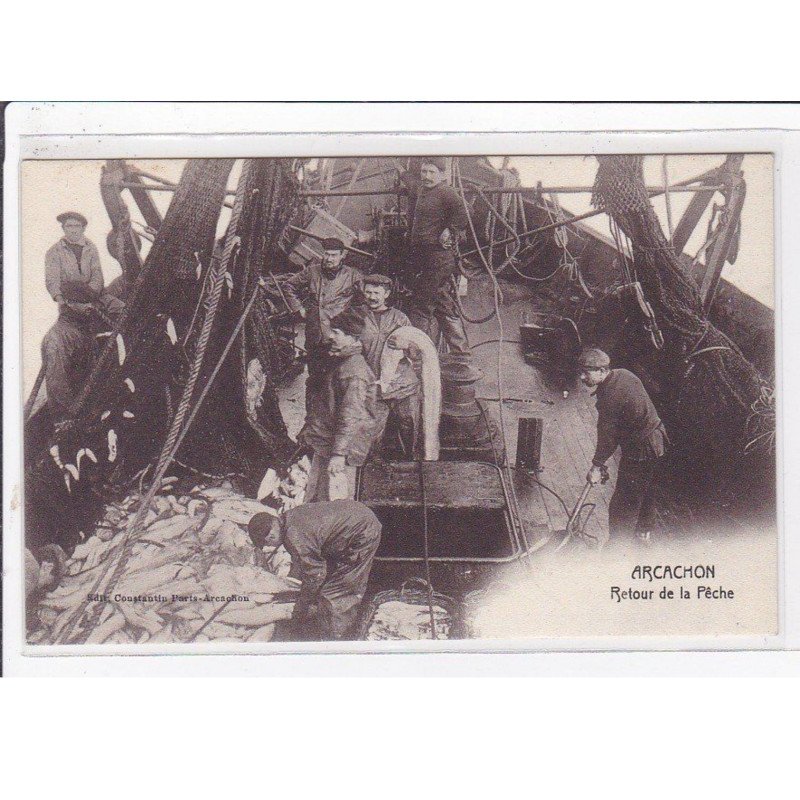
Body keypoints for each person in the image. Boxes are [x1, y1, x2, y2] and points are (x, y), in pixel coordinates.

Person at [248, 501, 382, 641]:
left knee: (336, 593)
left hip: (362, 532)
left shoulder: (295, 536)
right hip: (356, 517)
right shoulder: (289, 518)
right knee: (329, 583)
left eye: (267, 544)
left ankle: (337, 639)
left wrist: (302, 604)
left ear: (270, 536)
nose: (269, 546)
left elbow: (315, 575)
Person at [42, 212, 125, 421]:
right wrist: (65, 300)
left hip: (96, 299)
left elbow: (97, 277)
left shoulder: (91, 248)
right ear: (64, 228)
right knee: (53, 345)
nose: (73, 230)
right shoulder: (54, 253)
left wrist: (90, 294)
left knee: (125, 312)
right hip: (70, 311)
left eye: (76, 226)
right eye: (69, 226)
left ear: (83, 229)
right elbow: (53, 283)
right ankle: (64, 416)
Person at [579, 347, 667, 544]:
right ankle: (644, 531)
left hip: (642, 449)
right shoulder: (623, 374)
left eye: (586, 372)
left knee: (624, 503)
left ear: (602, 371)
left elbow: (608, 437)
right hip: (657, 440)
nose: (582, 377)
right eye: (581, 371)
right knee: (646, 489)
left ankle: (616, 551)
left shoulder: (610, 398)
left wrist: (596, 465)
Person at [334, 274, 422, 459]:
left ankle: (412, 464)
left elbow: (417, 353)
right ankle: (373, 471)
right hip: (373, 389)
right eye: (368, 292)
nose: (372, 297)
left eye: (376, 293)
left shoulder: (400, 318)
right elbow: (339, 345)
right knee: (370, 438)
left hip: (403, 387)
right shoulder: (355, 315)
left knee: (411, 432)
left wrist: (407, 345)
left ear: (387, 294)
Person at [298, 325, 380, 502]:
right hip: (328, 442)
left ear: (354, 338)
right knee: (319, 500)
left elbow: (351, 416)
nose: (331, 336)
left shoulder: (354, 372)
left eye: (337, 332)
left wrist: (339, 454)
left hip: (342, 450)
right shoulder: (341, 361)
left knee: (336, 504)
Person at [401, 157, 471, 358]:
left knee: (421, 305)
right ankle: (461, 352)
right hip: (422, 255)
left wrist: (451, 229)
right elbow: (410, 181)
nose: (427, 176)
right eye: (424, 172)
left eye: (432, 172)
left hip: (438, 258)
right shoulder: (421, 188)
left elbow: (466, 211)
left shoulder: (446, 192)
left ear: (442, 175)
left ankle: (416, 354)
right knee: (440, 301)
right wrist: (402, 173)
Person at [282, 237, 364, 404]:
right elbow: (288, 286)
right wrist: (298, 309)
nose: (329, 259)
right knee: (315, 379)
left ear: (342, 255)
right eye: (326, 254)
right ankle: (313, 417)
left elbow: (363, 303)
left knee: (338, 378)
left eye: (334, 255)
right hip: (316, 334)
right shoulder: (312, 271)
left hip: (339, 337)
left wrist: (352, 323)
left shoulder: (353, 275)